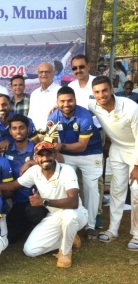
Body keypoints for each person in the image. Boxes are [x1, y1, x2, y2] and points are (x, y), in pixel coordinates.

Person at [0, 141, 88, 268]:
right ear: (35, 158)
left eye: (48, 154)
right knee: (30, 250)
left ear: (54, 155)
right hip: (54, 216)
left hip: (75, 213)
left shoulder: (67, 170)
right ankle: (69, 237)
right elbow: (14, 185)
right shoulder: (34, 171)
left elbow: (73, 202)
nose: (45, 158)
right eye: (40, 155)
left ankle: (65, 253)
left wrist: (44, 202)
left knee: (68, 216)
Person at [89, 76, 138, 251]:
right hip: (117, 149)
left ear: (111, 90)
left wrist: (137, 166)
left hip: (136, 149)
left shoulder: (131, 108)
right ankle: (113, 229)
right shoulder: (92, 105)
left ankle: (137, 234)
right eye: (97, 92)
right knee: (117, 189)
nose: (101, 95)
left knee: (136, 190)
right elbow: (75, 106)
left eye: (104, 90)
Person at [48, 86, 103, 239]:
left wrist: (61, 147)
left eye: (70, 100)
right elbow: (51, 141)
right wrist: (56, 152)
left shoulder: (84, 116)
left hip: (90, 153)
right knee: (63, 185)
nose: (66, 104)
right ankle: (67, 220)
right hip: (67, 154)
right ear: (57, 102)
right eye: (62, 101)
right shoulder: (53, 116)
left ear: (75, 101)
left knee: (91, 187)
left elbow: (82, 145)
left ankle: (91, 225)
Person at [68, 54, 105, 230]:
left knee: (95, 179)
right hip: (76, 135)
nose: (78, 71)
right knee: (76, 180)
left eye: (81, 67)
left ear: (88, 66)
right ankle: (82, 212)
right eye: (74, 68)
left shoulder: (97, 85)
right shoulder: (71, 86)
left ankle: (96, 214)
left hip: (98, 132)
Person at [3, 114, 47, 244]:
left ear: (28, 129)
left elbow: (56, 161)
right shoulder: (6, 150)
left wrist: (30, 163)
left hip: (38, 200)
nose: (18, 131)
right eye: (14, 128)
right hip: (18, 201)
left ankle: (39, 228)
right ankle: (27, 227)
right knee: (10, 237)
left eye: (21, 128)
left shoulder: (38, 148)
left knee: (33, 212)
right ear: (10, 131)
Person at [27, 62, 61, 130]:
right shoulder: (34, 94)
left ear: (53, 73)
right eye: (41, 72)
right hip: (36, 136)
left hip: (54, 135)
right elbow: (30, 116)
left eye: (47, 72)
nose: (43, 74)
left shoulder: (61, 92)